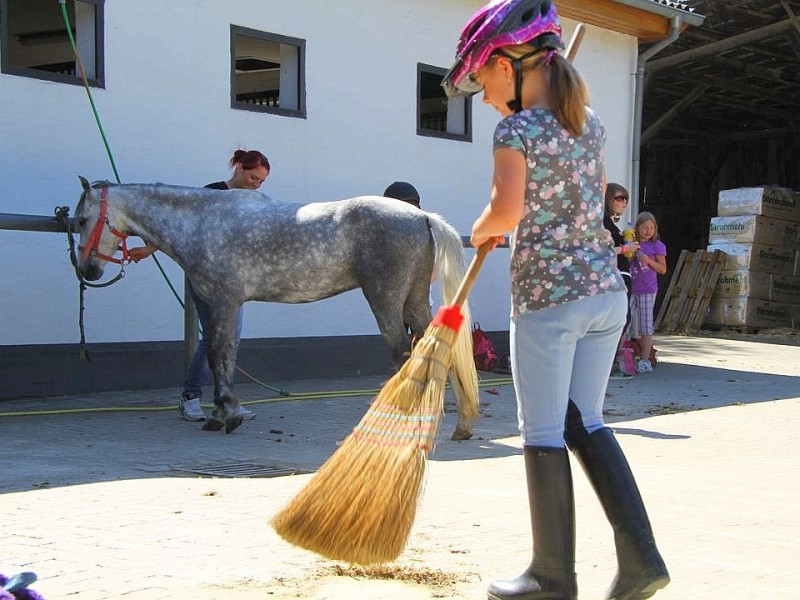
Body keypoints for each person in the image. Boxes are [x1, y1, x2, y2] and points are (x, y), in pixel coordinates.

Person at [442, 2, 670, 600]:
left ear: (510, 64)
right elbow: (587, 204)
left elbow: (509, 210)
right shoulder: (587, 122)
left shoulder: (515, 129)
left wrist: (486, 223)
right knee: (584, 420)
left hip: (548, 298)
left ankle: (551, 575)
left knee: (540, 429)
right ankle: (642, 560)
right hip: (603, 294)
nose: (486, 96)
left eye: (483, 79)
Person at [129, 149, 271, 421]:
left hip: (234, 280)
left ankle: (226, 398)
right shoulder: (211, 194)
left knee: (231, 337)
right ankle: (191, 396)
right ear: (239, 168)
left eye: (262, 181)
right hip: (206, 276)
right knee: (215, 337)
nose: (257, 184)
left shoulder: (251, 202)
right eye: (254, 177)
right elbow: (182, 228)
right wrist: (149, 249)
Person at [603, 184, 637, 380]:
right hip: (613, 276)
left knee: (623, 318)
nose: (624, 202)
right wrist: (625, 249)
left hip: (622, 274)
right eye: (619, 197)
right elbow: (601, 250)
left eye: (626, 198)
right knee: (618, 319)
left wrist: (628, 249)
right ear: (608, 199)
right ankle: (607, 364)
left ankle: (610, 362)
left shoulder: (611, 225)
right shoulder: (603, 225)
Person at [627, 211, 667, 374]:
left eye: (651, 228)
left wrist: (648, 260)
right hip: (631, 287)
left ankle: (645, 359)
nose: (648, 231)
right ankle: (622, 356)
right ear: (637, 228)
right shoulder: (632, 243)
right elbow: (626, 261)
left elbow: (663, 269)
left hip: (647, 289)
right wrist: (631, 251)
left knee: (645, 323)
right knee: (625, 323)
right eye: (644, 228)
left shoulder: (657, 246)